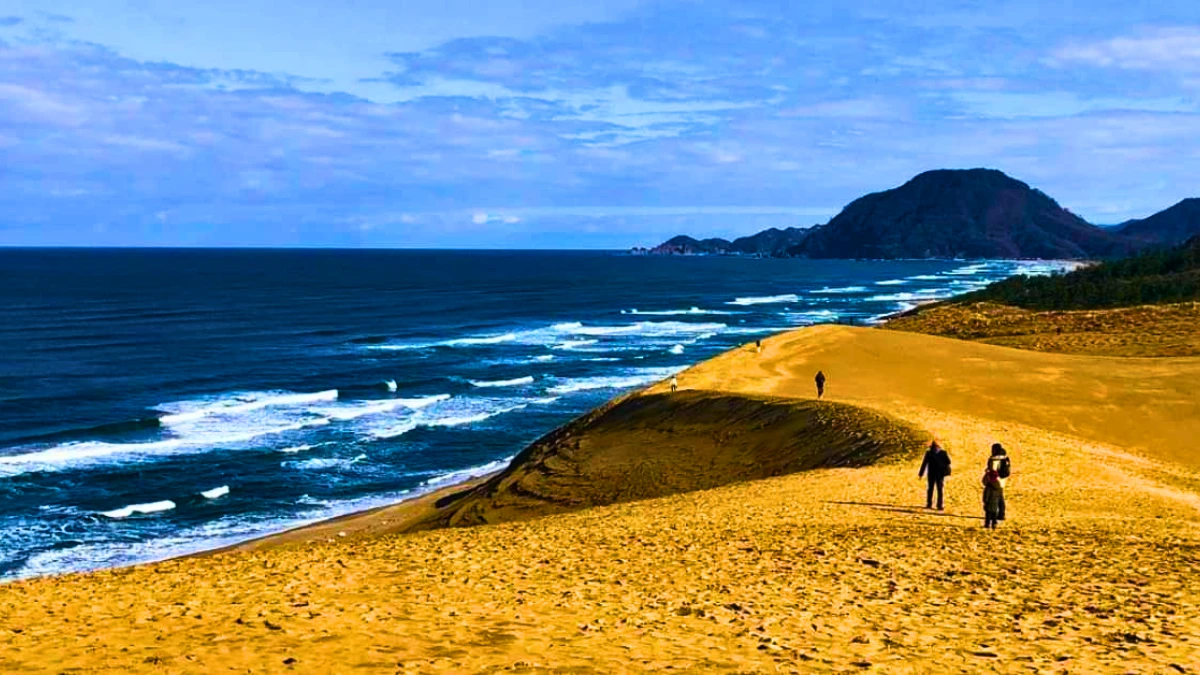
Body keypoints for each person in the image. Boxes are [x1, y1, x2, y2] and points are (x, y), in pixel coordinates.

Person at [918, 440, 951, 510]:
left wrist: (921, 474)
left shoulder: (929, 453)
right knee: (940, 490)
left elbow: (924, 464)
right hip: (940, 474)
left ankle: (929, 504)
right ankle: (939, 505)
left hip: (931, 474)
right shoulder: (943, 453)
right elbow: (948, 461)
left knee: (930, 489)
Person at [986, 443, 1011, 521]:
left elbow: (993, 471)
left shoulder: (995, 459)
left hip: (995, 481)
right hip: (1002, 480)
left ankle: (997, 514)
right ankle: (1001, 514)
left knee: (995, 498)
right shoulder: (1005, 458)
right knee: (1000, 497)